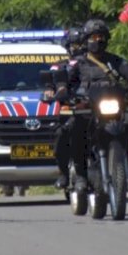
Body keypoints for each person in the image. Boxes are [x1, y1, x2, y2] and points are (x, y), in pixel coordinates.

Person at [62, 19, 128, 194]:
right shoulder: (78, 63)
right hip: (88, 109)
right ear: (86, 40)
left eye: (102, 37)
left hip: (113, 109)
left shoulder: (116, 61)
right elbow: (64, 80)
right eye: (94, 37)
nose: (98, 40)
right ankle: (81, 176)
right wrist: (61, 90)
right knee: (75, 127)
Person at [49, 27, 86, 189]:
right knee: (61, 134)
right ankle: (64, 172)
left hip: (96, 109)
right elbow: (51, 82)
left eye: (82, 44)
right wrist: (51, 91)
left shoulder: (100, 64)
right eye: (75, 45)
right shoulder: (60, 67)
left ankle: (127, 170)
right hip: (72, 110)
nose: (79, 48)